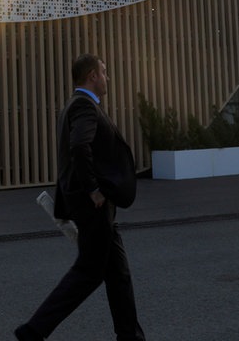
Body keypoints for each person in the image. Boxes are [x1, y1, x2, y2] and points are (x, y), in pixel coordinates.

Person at [15, 54, 144, 341]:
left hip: (97, 207)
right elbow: (79, 147)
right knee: (88, 272)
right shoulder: (84, 106)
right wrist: (93, 190)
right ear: (92, 76)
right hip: (93, 205)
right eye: (105, 72)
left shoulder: (73, 106)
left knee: (118, 273)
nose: (108, 77)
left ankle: (130, 336)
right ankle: (33, 330)